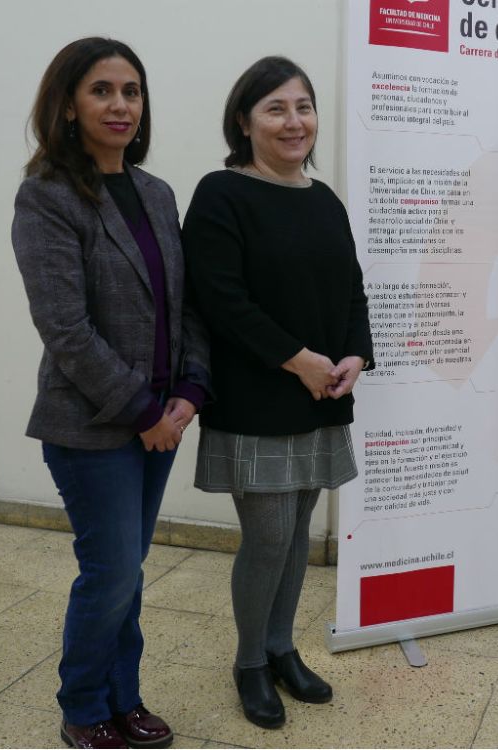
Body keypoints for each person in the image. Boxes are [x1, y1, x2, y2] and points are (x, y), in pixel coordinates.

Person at [11, 38, 210, 749]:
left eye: (132, 91)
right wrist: (144, 411)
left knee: (128, 569)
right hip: (92, 425)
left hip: (160, 421)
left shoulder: (155, 193)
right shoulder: (47, 195)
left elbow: (185, 302)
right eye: (102, 90)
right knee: (112, 569)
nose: (121, 104)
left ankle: (124, 697)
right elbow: (65, 328)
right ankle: (82, 705)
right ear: (68, 104)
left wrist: (188, 390)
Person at [182, 57, 374, 729]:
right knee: (267, 537)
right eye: (275, 108)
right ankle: (249, 663)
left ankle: (281, 645)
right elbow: (220, 300)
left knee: (296, 540)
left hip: (321, 392)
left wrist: (354, 355)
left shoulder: (323, 199)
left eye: (303, 107)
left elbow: (351, 290)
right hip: (257, 397)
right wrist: (300, 362)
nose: (294, 121)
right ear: (245, 120)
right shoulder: (221, 193)